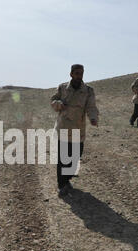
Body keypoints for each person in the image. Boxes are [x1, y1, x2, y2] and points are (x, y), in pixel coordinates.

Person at [50, 64, 99, 197]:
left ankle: (67, 178)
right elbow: (53, 100)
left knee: (76, 157)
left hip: (78, 128)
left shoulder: (88, 90)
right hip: (64, 127)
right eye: (77, 73)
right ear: (71, 74)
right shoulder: (62, 88)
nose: (79, 75)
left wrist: (93, 118)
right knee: (63, 158)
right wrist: (59, 104)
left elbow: (91, 107)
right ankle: (62, 185)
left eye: (81, 73)